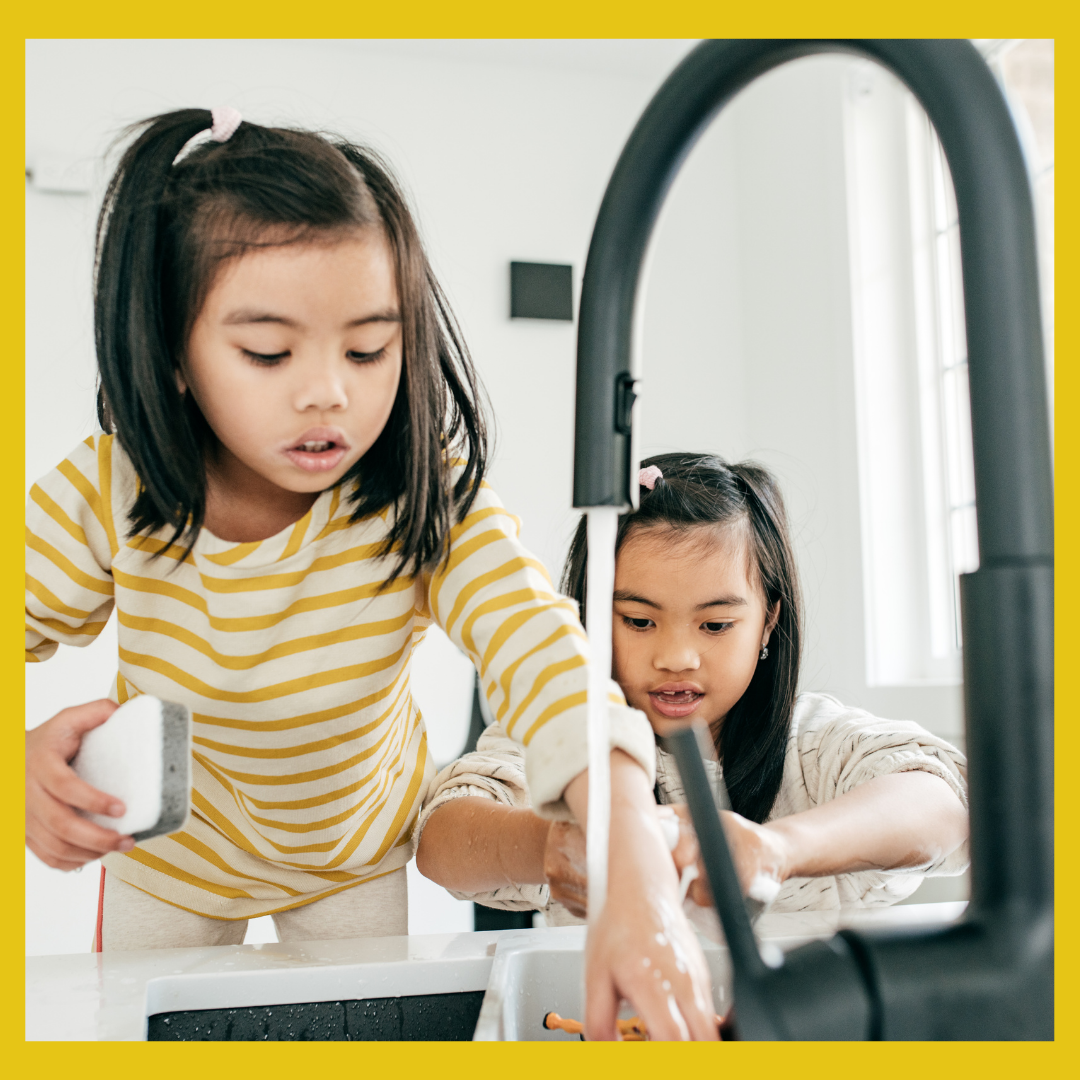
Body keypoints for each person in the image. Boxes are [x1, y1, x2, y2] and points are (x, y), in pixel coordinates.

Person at [24, 109, 716, 1040]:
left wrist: (626, 828)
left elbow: (538, 645)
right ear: (173, 352)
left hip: (352, 860)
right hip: (170, 865)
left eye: (367, 348)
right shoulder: (110, 492)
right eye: (268, 353)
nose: (329, 392)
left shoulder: (420, 496)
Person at [416, 452, 969, 925]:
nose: (676, 658)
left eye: (714, 626)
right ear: (587, 618)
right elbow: (442, 840)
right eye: (638, 621)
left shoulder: (813, 743)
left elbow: (940, 804)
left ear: (768, 623)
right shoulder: (568, 743)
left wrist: (777, 850)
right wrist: (560, 843)